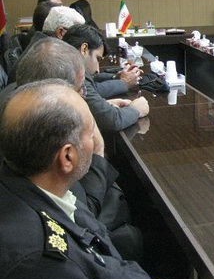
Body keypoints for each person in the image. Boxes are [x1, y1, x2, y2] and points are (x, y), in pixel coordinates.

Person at [0, 80, 181, 279]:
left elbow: (105, 260)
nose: (95, 137)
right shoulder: (43, 267)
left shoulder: (45, 189)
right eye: (90, 131)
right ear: (68, 157)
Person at [6, 37, 144, 262]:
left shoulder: (14, 103)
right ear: (56, 91)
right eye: (80, 89)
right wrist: (98, 150)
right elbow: (83, 212)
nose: (83, 96)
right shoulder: (47, 137)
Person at [63, 24, 149, 133]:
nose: (97, 70)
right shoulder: (73, 75)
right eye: (97, 59)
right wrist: (136, 110)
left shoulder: (62, 63)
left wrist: (104, 105)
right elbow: (112, 120)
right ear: (84, 49)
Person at [7, 6, 86, 84]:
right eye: (77, 34)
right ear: (60, 32)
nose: (79, 40)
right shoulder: (48, 55)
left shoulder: (39, 43)